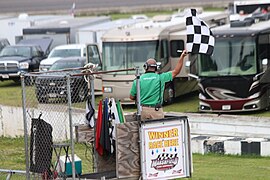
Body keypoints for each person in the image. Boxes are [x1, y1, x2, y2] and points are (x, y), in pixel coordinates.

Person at [129, 50, 188, 120]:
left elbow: (131, 97)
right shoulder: (160, 77)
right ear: (156, 68)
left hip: (143, 111)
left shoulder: (138, 80)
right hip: (156, 111)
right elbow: (176, 71)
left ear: (145, 67)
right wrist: (182, 57)